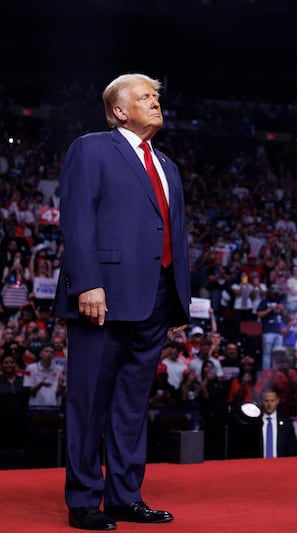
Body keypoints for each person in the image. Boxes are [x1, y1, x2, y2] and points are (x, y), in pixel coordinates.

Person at [53, 73, 191, 530]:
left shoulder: (167, 164)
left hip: (154, 300)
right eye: (144, 97)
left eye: (156, 97)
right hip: (103, 297)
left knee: (132, 406)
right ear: (119, 110)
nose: (155, 103)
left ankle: (124, 496)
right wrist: (87, 283)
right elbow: (76, 219)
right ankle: (83, 500)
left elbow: (171, 236)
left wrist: (176, 300)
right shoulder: (91, 148)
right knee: (89, 402)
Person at [23, 343, 65, 407]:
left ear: (54, 356)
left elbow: (58, 393)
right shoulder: (30, 368)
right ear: (40, 354)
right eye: (46, 351)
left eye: (52, 352)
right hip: (35, 407)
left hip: (54, 407)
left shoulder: (60, 369)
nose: (49, 354)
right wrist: (40, 384)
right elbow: (31, 393)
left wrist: (60, 385)